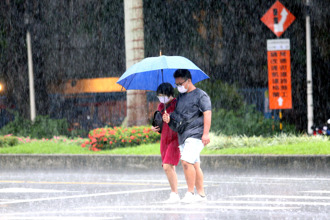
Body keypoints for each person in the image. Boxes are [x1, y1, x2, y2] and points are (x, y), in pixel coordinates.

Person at [163, 69, 212, 203]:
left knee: (186, 162)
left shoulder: (201, 95)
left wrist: (206, 133)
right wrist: (169, 119)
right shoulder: (180, 98)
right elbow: (178, 118)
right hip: (183, 135)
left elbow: (207, 113)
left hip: (196, 134)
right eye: (176, 84)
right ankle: (201, 195)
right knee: (195, 164)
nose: (178, 86)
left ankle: (190, 193)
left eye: (180, 83)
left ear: (188, 81)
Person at [151, 83, 181, 203]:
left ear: (170, 94)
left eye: (163, 95)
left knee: (168, 166)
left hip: (175, 139)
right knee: (168, 167)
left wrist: (171, 118)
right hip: (164, 139)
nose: (161, 98)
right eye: (159, 95)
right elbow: (161, 125)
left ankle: (174, 194)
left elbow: (180, 120)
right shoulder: (160, 106)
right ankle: (174, 193)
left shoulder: (177, 104)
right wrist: (156, 127)